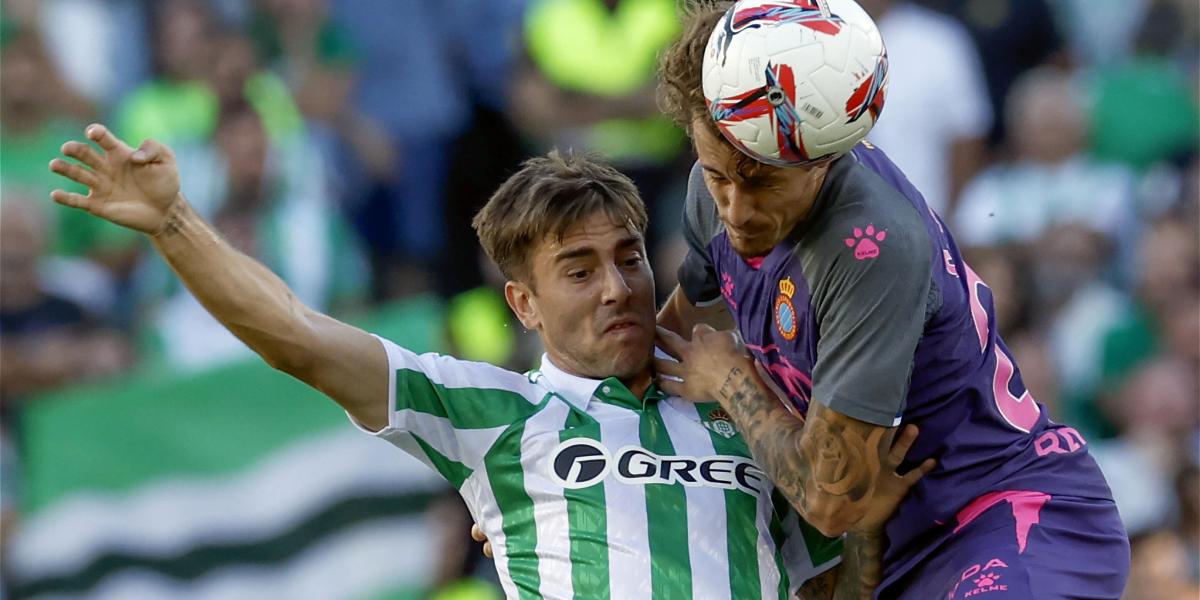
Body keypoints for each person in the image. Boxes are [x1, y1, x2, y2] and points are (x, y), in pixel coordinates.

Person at [48, 124, 931, 599]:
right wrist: (175, 224)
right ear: (523, 304)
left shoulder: (747, 415)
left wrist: (862, 530)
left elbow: (830, 590)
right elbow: (297, 335)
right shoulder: (491, 412)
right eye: (577, 271)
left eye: (628, 257)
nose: (617, 288)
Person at [653, 2, 1129, 598]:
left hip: (999, 516)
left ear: (825, 158)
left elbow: (829, 500)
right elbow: (671, 351)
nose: (736, 210)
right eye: (717, 174)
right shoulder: (715, 190)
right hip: (881, 553)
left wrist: (732, 381)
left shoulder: (868, 245)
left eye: (763, 181)